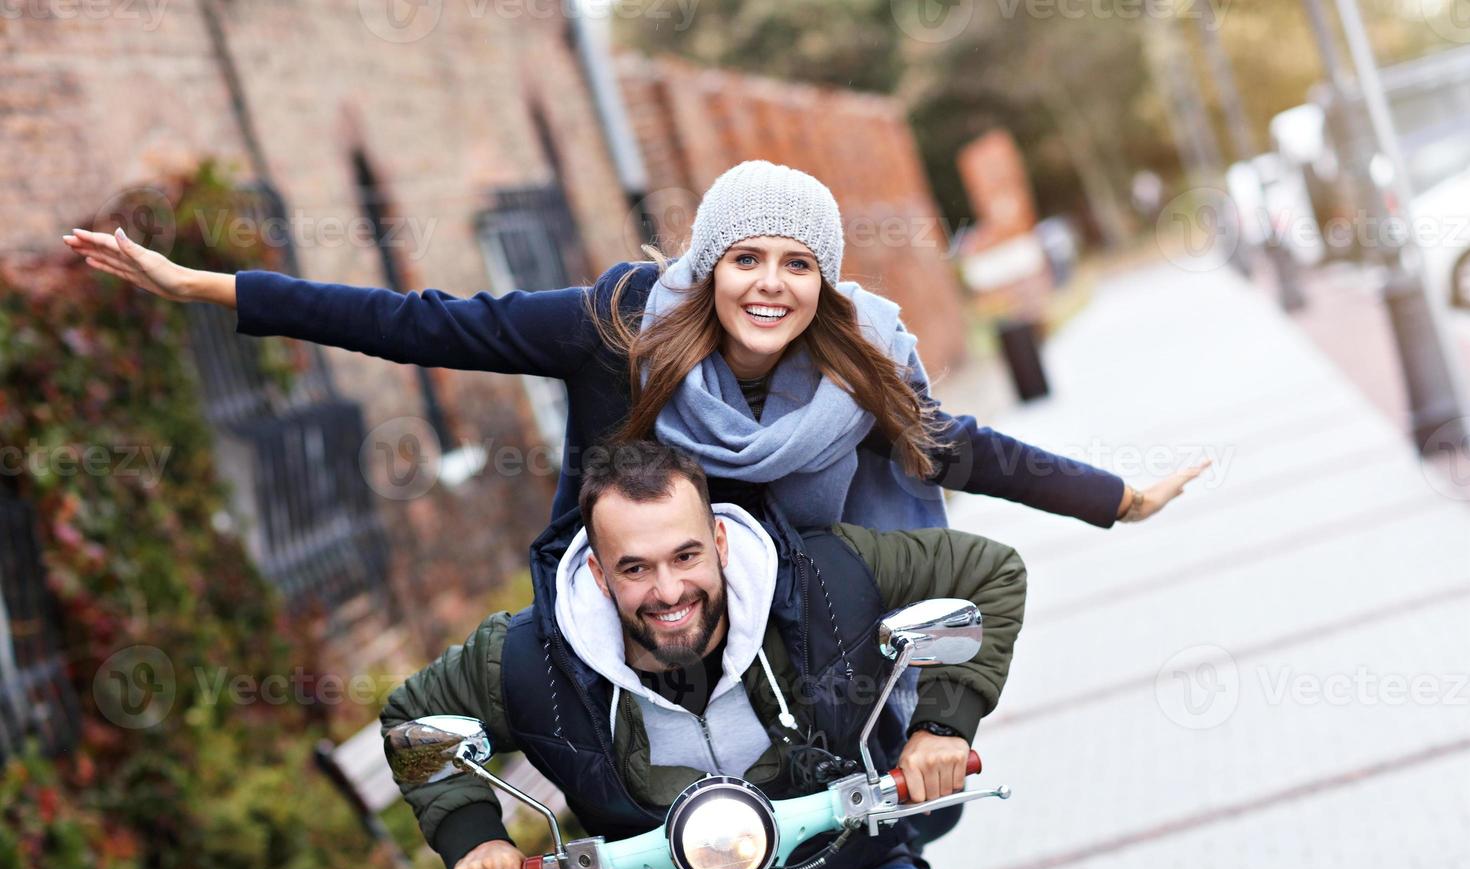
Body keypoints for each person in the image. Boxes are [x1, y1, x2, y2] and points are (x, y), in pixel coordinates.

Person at [61, 160, 1208, 535]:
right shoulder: (615, 324)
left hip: (785, 604)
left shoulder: (853, 360)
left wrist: (1114, 498)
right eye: (747, 258)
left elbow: (953, 446)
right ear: (708, 265)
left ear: (823, 281)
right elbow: (419, 321)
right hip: (627, 586)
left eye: (797, 264)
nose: (770, 283)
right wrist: (205, 282)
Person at [380, 440, 1024, 869]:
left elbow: (988, 573)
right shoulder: (529, 656)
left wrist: (940, 727)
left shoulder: (823, 578)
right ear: (600, 574)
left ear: (718, 539)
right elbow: (415, 716)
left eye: (686, 555)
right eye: (634, 569)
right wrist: (478, 839)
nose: (667, 591)